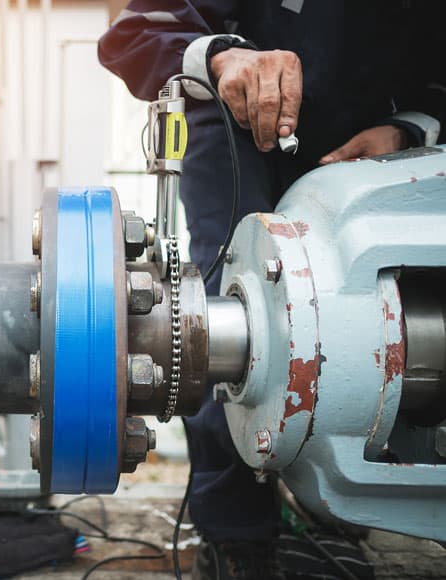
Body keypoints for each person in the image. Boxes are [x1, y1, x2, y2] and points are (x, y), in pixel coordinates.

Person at [98, 2, 444, 578]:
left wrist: (410, 128)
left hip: (369, 147)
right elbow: (131, 36)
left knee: (379, 323)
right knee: (223, 315)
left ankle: (336, 491)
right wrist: (221, 57)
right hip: (234, 134)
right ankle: (237, 528)